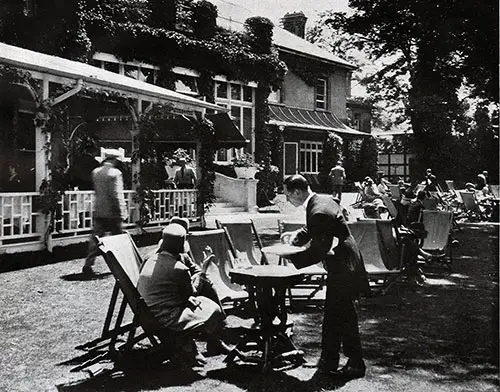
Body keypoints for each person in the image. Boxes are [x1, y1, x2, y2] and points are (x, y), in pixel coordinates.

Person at [282, 174, 369, 379]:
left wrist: (291, 257)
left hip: (343, 265)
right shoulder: (321, 200)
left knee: (341, 316)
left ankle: (353, 363)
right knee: (337, 315)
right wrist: (297, 237)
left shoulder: (317, 210)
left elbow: (320, 248)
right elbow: (316, 228)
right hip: (345, 261)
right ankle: (330, 360)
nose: (287, 200)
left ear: (297, 192)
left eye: (287, 195)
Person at [137, 223, 230, 366]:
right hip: (167, 318)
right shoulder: (179, 268)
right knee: (213, 307)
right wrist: (203, 271)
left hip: (148, 313)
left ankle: (204, 343)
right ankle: (205, 341)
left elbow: (183, 283)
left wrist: (197, 277)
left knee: (204, 286)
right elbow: (191, 291)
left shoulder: (152, 259)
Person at [82, 149, 127, 276]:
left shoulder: (95, 172)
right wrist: (121, 211)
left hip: (99, 209)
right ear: (114, 160)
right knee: (119, 239)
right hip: (113, 211)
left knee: (96, 239)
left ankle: (88, 264)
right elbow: (116, 194)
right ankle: (121, 265)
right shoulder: (115, 173)